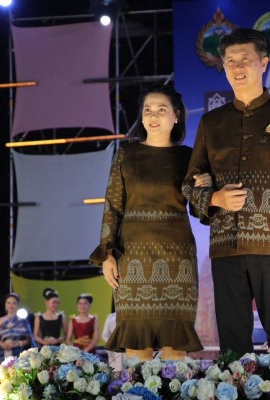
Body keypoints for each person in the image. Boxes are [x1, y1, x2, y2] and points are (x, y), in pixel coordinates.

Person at [182, 28, 270, 356]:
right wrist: (214, 198)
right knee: (232, 348)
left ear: (263, 63)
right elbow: (189, 184)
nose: (237, 66)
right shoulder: (211, 123)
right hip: (225, 246)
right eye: (230, 61)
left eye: (245, 59)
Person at [89, 85, 211, 361]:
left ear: (176, 116)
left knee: (174, 344)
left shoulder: (189, 157)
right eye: (148, 110)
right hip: (133, 258)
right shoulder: (126, 154)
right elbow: (113, 206)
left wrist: (205, 188)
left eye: (161, 109)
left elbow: (199, 211)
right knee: (136, 343)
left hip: (177, 258)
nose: (153, 115)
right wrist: (108, 254)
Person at [0, 293, 32, 363]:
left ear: (17, 305)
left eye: (14, 303)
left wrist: (18, 343)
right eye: (8, 303)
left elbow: (28, 339)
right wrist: (2, 344)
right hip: (3, 352)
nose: (11, 305)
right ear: (5, 305)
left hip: (19, 352)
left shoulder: (23, 321)